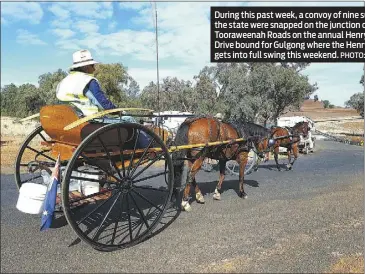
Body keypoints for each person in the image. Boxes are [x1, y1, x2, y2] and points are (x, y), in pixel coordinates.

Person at [56, 49, 148, 146]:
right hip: (90, 121)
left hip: (71, 123)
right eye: (92, 65)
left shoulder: (64, 82)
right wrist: (119, 111)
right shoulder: (87, 80)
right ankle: (147, 149)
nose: (94, 69)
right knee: (129, 119)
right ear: (86, 67)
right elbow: (103, 104)